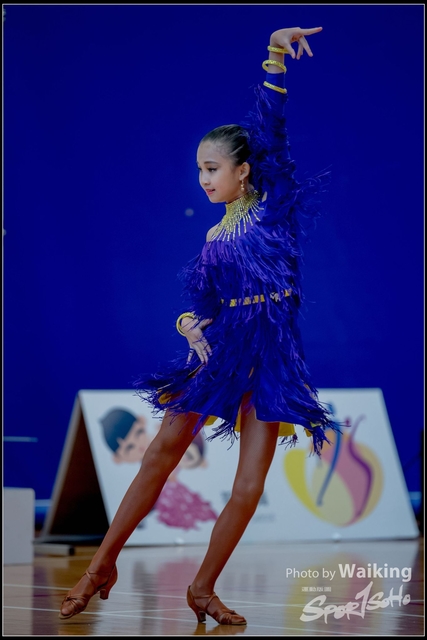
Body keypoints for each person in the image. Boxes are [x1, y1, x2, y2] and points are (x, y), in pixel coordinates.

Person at [59, 25, 340, 626]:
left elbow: (272, 132)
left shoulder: (275, 208)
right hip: (222, 352)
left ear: (245, 171)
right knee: (161, 453)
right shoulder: (214, 236)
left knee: (249, 488)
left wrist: (274, 58)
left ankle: (203, 588)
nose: (205, 179)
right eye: (199, 170)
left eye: (213, 168)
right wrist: (188, 324)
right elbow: (199, 304)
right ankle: (101, 565)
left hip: (273, 358)